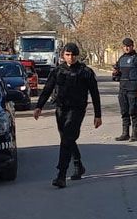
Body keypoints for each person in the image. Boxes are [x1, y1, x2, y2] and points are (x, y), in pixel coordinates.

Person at [34, 43, 102, 188]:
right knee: (67, 139)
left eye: (73, 55)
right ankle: (78, 165)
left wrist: (98, 115)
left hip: (77, 110)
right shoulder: (58, 71)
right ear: (63, 55)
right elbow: (48, 89)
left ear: (77, 55)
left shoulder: (85, 72)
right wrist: (39, 106)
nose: (70, 58)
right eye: (67, 55)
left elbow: (95, 94)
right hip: (61, 109)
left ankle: (61, 175)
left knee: (66, 139)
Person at [112, 37, 137, 141]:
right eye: (125, 46)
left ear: (132, 46)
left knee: (133, 111)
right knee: (124, 111)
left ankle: (134, 135)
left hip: (133, 89)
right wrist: (115, 73)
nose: (127, 48)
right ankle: (125, 133)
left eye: (128, 46)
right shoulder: (121, 58)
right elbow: (117, 72)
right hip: (123, 88)